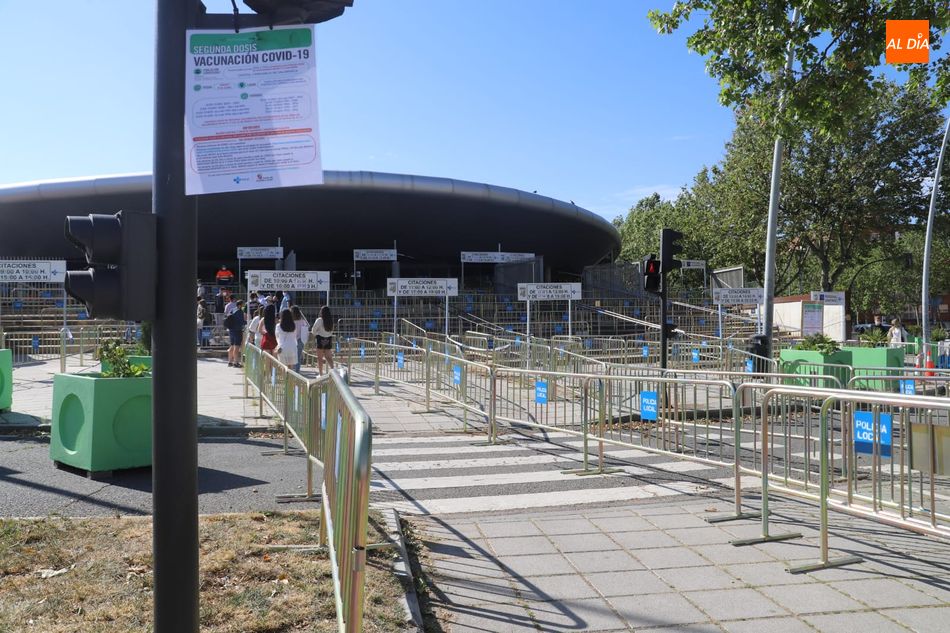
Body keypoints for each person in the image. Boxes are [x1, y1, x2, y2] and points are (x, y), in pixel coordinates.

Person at [310, 305, 335, 375]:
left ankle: (321, 374)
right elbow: (331, 331)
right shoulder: (330, 321)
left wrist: (316, 334)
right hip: (328, 339)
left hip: (320, 339)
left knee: (320, 358)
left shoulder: (319, 320)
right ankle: (334, 371)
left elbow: (313, 330)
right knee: (329, 357)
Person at [224, 299, 246, 367]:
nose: (243, 306)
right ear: (240, 305)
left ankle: (230, 362)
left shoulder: (232, 310)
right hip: (237, 330)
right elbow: (241, 322)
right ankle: (235, 362)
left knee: (232, 346)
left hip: (231, 330)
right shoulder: (240, 311)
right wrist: (247, 322)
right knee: (236, 347)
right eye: (243, 304)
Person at [291, 306, 310, 372]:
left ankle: (292, 371)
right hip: (300, 340)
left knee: (291, 357)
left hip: (292, 340)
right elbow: (306, 329)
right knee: (298, 357)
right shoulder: (303, 321)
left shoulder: (291, 322)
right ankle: (297, 371)